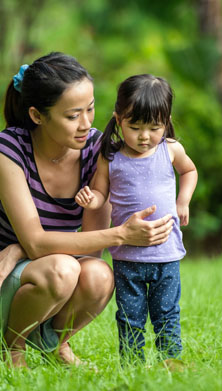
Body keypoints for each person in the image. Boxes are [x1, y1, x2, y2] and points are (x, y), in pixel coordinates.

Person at [0, 53, 176, 369]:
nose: (87, 123)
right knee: (62, 269)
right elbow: (37, 243)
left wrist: (18, 247)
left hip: (49, 278)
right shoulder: (8, 150)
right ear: (37, 115)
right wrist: (121, 233)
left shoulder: (96, 149)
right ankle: (10, 349)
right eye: (73, 115)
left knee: (99, 276)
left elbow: (91, 247)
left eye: (90, 109)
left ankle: (54, 344)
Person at [75, 74, 198, 361]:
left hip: (165, 255)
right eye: (135, 127)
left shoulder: (170, 150)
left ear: (166, 121)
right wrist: (90, 199)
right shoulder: (111, 157)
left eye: (154, 127)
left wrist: (184, 200)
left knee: (167, 313)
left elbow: (189, 172)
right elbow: (100, 193)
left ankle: (172, 360)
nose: (145, 136)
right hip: (127, 258)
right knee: (130, 316)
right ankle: (131, 363)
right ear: (118, 120)